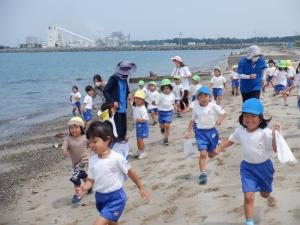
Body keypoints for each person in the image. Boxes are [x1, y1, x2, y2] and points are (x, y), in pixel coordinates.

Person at [214, 98, 282, 225]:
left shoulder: (265, 133)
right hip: (247, 168)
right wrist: (220, 147)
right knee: (248, 196)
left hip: (265, 168)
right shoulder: (240, 130)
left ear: (260, 118)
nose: (249, 119)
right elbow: (231, 140)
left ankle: (265, 191)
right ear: (242, 117)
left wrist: (275, 135)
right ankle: (249, 222)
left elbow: (275, 148)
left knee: (265, 195)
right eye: (246, 115)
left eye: (253, 116)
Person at [76, 121, 150, 225]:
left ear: (107, 140)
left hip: (115, 199)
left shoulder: (116, 158)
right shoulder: (92, 160)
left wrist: (141, 187)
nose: (92, 145)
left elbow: (130, 171)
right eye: (90, 142)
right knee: (111, 223)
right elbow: (91, 180)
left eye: (95, 141)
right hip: (100, 198)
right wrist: (84, 188)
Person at [184, 86, 226, 185]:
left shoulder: (213, 106)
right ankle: (203, 173)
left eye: (206, 96)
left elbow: (224, 113)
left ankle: (217, 145)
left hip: (212, 132)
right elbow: (192, 120)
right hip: (200, 133)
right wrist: (188, 131)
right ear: (197, 98)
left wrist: (219, 120)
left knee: (211, 155)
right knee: (203, 154)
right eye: (201, 96)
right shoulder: (196, 107)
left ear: (210, 97)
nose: (203, 98)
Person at [104, 61, 136, 142]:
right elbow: (106, 91)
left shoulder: (125, 79)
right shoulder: (113, 79)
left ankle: (122, 144)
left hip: (123, 107)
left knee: (124, 128)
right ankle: (117, 144)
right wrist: (112, 101)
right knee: (117, 128)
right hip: (115, 108)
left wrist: (129, 94)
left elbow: (126, 90)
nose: (126, 74)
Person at [60, 117, 89, 203]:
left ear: (81, 128)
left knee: (75, 177)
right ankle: (89, 186)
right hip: (75, 163)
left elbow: (92, 144)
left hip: (85, 160)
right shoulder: (68, 139)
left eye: (76, 127)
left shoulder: (85, 137)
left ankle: (78, 193)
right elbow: (64, 147)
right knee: (83, 175)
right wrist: (64, 151)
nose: (73, 130)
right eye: (71, 128)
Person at [157, 79, 175, 146]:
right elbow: (156, 102)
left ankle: (166, 138)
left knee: (167, 126)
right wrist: (154, 103)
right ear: (162, 89)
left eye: (167, 88)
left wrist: (176, 108)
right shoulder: (160, 95)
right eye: (164, 89)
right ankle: (162, 128)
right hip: (161, 112)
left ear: (170, 88)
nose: (166, 90)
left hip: (169, 112)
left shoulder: (172, 95)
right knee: (162, 126)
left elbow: (173, 103)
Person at [132, 90, 149, 159]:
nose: (137, 100)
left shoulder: (143, 108)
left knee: (140, 139)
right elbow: (131, 103)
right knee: (138, 139)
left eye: (139, 99)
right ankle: (139, 150)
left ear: (143, 100)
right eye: (136, 98)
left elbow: (146, 118)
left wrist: (140, 119)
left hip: (143, 125)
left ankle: (143, 152)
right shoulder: (136, 106)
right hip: (138, 125)